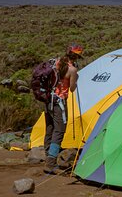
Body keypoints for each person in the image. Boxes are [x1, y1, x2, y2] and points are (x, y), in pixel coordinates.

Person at [44, 44, 82, 174]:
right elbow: (71, 89)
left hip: (48, 99)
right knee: (59, 130)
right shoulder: (72, 70)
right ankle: (50, 163)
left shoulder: (57, 62)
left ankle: (47, 155)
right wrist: (75, 79)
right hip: (59, 101)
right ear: (76, 56)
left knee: (50, 127)